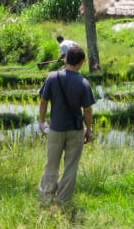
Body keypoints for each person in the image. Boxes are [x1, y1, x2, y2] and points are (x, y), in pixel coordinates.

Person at [38, 45, 95, 206]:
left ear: (65, 59)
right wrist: (88, 130)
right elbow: (88, 110)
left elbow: (43, 101)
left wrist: (42, 122)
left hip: (55, 129)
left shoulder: (52, 78)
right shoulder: (83, 83)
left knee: (52, 163)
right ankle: (62, 200)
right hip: (75, 130)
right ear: (82, 62)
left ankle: (46, 197)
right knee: (70, 166)